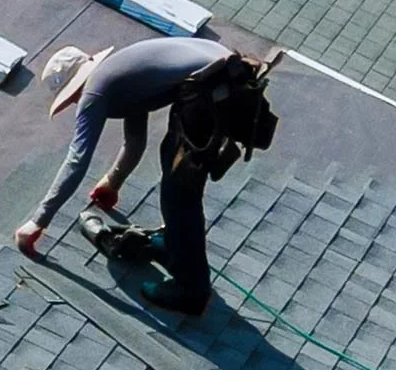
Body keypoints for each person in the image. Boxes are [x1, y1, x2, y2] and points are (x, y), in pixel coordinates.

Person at [16, 37, 234, 314]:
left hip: (213, 88)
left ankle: (191, 291)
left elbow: (77, 159)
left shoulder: (95, 91)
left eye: (72, 99)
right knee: (174, 167)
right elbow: (135, 141)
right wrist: (113, 182)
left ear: (76, 89)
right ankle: (173, 247)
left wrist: (38, 221)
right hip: (220, 80)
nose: (76, 105)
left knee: (180, 191)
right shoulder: (122, 78)